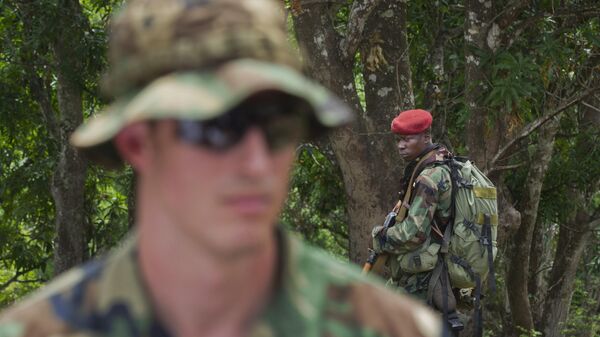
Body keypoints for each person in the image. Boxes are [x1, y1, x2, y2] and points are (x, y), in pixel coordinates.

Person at [0, 1, 444, 337]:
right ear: (139, 142)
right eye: (215, 128)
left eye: (276, 127)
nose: (255, 164)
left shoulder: (387, 326)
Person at [371, 109, 463, 332]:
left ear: (425, 137)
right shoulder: (443, 163)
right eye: (399, 140)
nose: (401, 146)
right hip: (437, 271)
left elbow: (413, 235)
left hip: (422, 278)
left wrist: (380, 236)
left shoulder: (428, 177)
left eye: (407, 139)